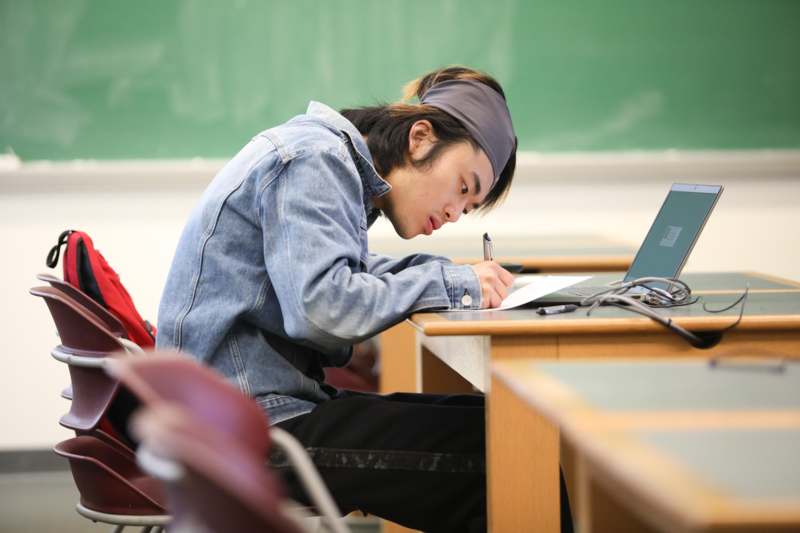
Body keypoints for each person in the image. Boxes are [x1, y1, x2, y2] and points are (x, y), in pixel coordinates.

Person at [157, 66, 567, 532]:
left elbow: (345, 273)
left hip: (241, 416)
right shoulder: (314, 161)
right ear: (420, 138)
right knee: (515, 451)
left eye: (469, 208)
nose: (455, 213)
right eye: (462, 186)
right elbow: (324, 307)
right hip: (244, 431)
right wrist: (454, 284)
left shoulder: (324, 159)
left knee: (510, 425)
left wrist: (451, 276)